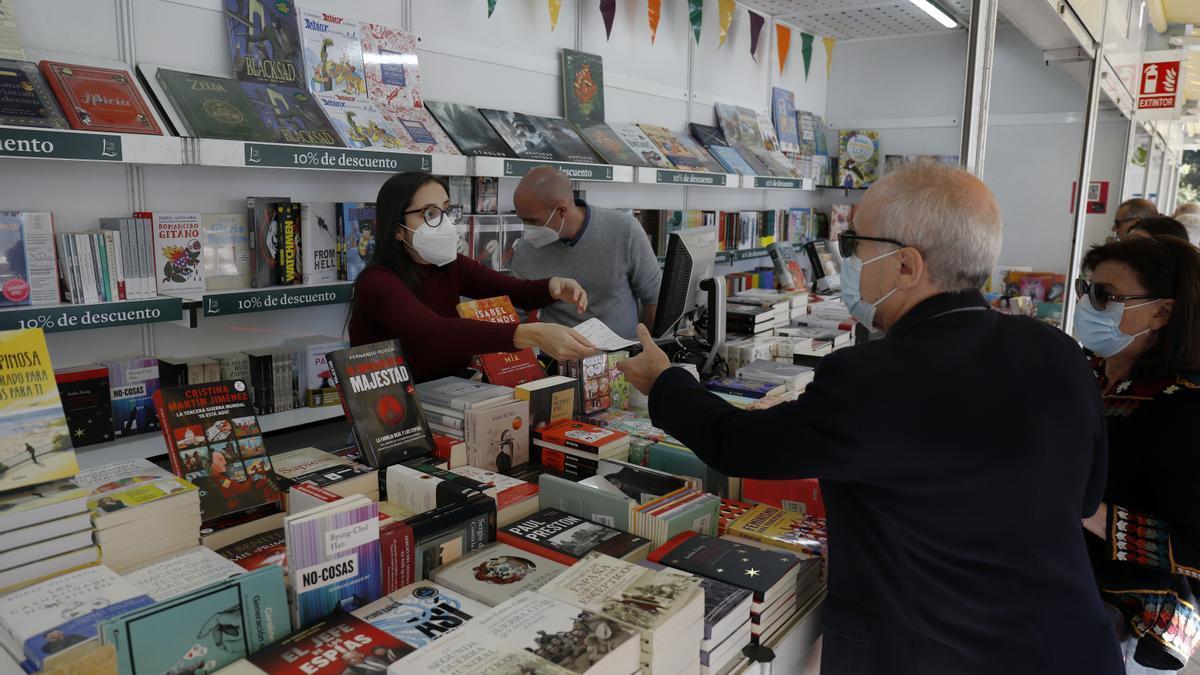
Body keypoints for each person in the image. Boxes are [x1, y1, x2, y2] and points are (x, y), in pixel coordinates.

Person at [618, 162, 1123, 674]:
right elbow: (1084, 497)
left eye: (854, 242)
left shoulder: (874, 376)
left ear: (906, 266)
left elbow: (738, 444)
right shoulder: (1058, 350)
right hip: (1070, 645)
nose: (847, 258)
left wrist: (666, 380)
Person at [1075, 235, 1200, 673]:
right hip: (1054, 592)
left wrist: (1088, 511)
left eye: (1105, 296)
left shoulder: (1184, 405)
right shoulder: (1085, 372)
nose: (1089, 305)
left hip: (1127, 623)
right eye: (1086, 290)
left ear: (1163, 311)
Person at [348, 172, 598, 382]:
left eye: (446, 211)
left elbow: (515, 291)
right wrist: (533, 334)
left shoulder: (450, 265)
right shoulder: (377, 282)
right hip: (395, 414)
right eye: (429, 213)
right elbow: (433, 334)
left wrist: (552, 287)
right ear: (397, 230)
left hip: (447, 392)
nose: (445, 223)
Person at [510, 166, 661, 339]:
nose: (527, 228)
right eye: (522, 219)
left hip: (623, 357)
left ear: (562, 210)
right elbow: (515, 310)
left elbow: (654, 298)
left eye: (533, 221)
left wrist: (646, 350)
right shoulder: (526, 248)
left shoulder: (625, 230)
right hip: (559, 359)